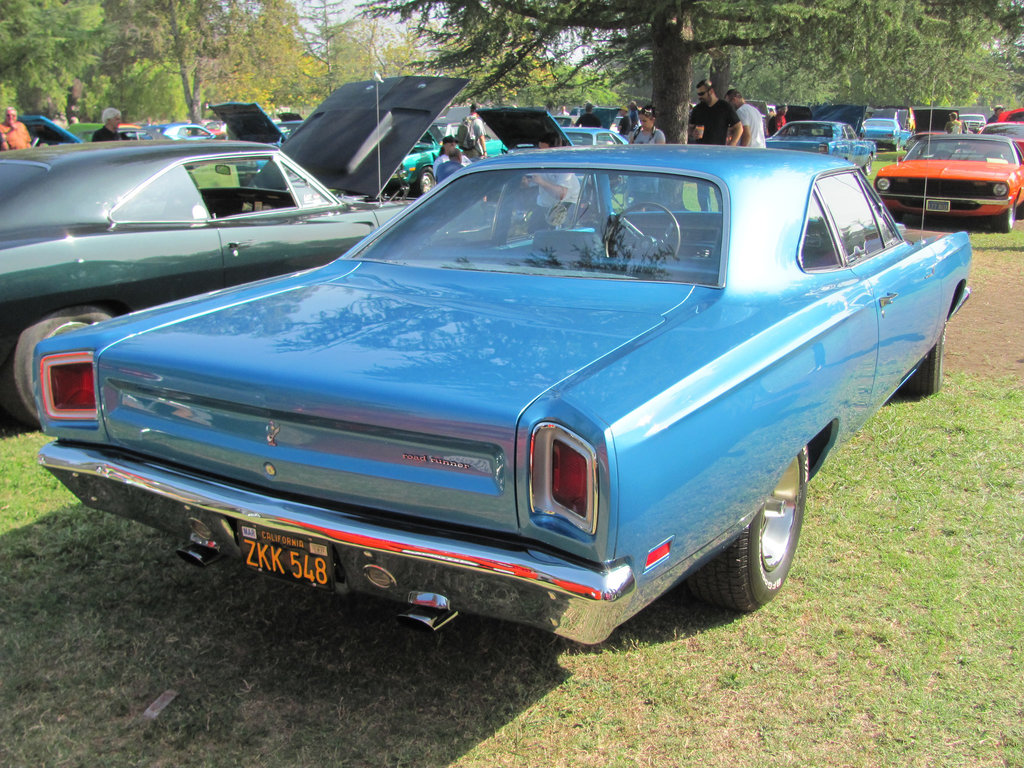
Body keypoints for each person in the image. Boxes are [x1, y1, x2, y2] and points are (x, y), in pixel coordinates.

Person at [524, 132, 580, 229]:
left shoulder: (564, 166)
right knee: (533, 233)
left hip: (565, 208)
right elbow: (530, 182)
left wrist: (541, 182)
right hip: (543, 206)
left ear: (555, 150)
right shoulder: (538, 162)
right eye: (539, 149)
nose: (540, 153)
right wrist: (525, 183)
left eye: (544, 150)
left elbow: (561, 195)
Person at [689, 79, 742, 146]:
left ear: (711, 91)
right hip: (700, 149)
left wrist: (732, 144)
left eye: (702, 94)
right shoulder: (697, 109)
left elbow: (739, 127)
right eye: (698, 94)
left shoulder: (725, 107)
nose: (700, 97)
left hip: (718, 150)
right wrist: (692, 133)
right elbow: (690, 128)